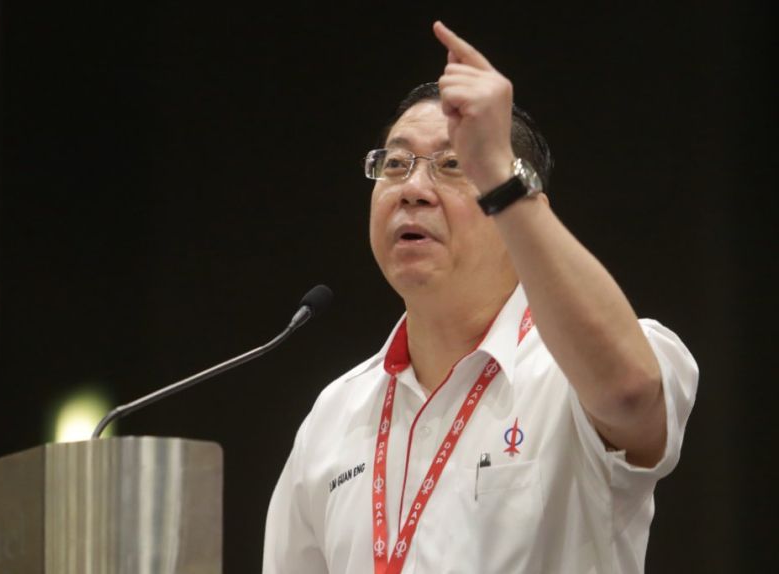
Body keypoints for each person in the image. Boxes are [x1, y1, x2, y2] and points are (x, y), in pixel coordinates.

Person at [263, 21, 698, 574]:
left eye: (451, 166)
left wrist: (498, 174)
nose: (412, 189)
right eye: (395, 164)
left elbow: (632, 397)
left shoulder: (569, 374)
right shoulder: (334, 415)